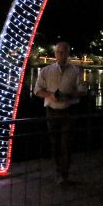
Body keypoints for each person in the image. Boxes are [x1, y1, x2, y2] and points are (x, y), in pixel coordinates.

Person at [34, 41, 87, 184]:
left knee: (66, 144)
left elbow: (82, 91)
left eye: (63, 52)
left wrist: (69, 95)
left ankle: (64, 173)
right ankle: (59, 171)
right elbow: (37, 90)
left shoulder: (76, 71)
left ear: (68, 54)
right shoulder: (46, 71)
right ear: (55, 53)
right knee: (55, 143)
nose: (60, 55)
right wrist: (50, 95)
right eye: (58, 52)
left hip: (69, 111)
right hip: (51, 111)